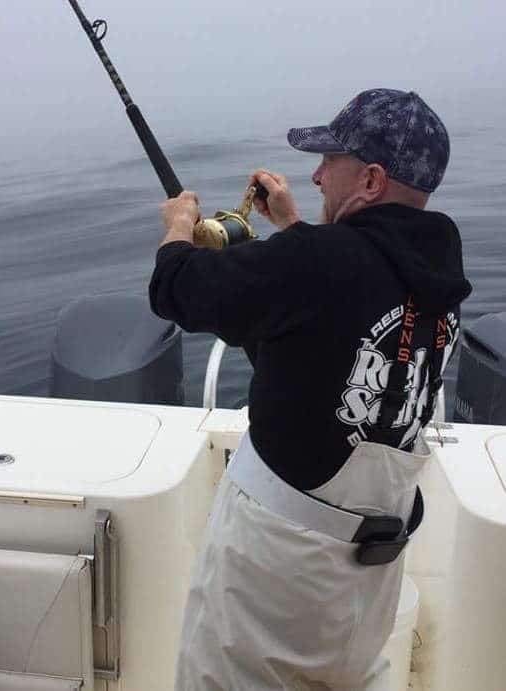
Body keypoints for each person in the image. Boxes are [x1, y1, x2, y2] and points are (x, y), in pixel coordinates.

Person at [149, 89, 472, 691]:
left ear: (371, 179)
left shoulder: (317, 263)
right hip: (369, 580)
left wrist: (178, 229)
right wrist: (295, 228)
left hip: (277, 573)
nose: (318, 174)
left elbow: (178, 290)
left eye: (332, 161)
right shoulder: (438, 275)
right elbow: (332, 318)